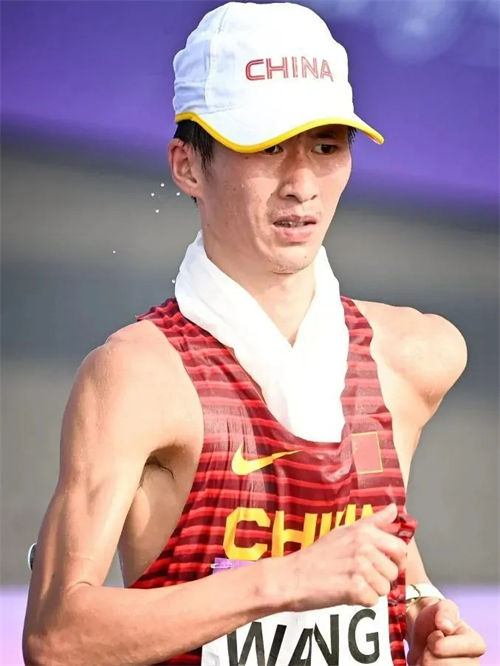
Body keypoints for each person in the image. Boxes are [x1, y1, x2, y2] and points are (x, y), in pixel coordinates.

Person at [23, 3, 486, 666]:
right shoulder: (137, 377)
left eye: (326, 146)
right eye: (266, 146)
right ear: (188, 165)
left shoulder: (415, 357)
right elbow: (56, 636)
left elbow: (379, 549)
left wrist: (420, 614)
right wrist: (285, 581)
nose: (301, 185)